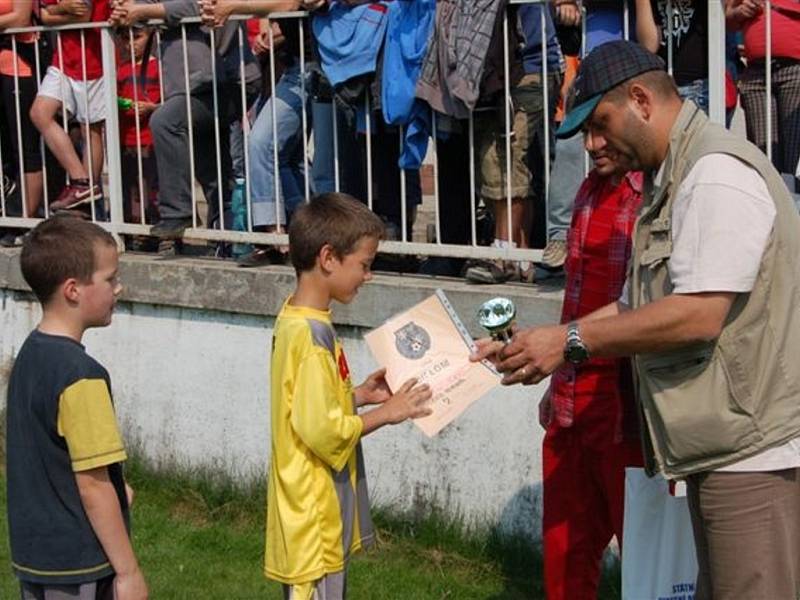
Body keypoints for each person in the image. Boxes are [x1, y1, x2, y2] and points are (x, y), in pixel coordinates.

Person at [473, 40, 800, 599]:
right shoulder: (675, 176)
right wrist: (550, 346)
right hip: (722, 446)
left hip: (754, 455)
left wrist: (571, 339)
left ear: (642, 100)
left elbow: (699, 314)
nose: (595, 144)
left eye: (600, 124)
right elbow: (636, 302)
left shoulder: (714, 174)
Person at [266, 192, 432, 598]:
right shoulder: (309, 336)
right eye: (364, 264)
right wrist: (388, 413)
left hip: (312, 512)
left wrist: (357, 396)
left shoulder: (301, 319)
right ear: (328, 258)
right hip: (312, 520)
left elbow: (305, 407)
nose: (368, 275)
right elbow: (322, 431)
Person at [6, 215, 148, 600]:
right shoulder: (80, 375)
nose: (118, 288)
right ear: (73, 290)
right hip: (79, 564)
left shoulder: (30, 356)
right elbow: (92, 484)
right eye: (109, 278)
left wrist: (121, 488)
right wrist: (129, 572)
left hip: (37, 558)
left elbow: (49, 453)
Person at [541, 136, 644, 597]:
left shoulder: (656, 194)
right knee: (566, 554)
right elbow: (576, 293)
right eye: (585, 131)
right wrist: (557, 379)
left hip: (627, 406)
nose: (591, 143)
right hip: (574, 396)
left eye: (602, 127)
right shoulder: (590, 188)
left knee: (647, 558)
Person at [31, 0, 109, 214]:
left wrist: (56, 10)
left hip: (94, 57)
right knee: (40, 113)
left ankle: (87, 201)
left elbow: (83, 14)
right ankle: (81, 183)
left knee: (90, 130)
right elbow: (45, 17)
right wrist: (62, 9)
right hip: (64, 59)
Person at [726, 0, 800, 191]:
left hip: (794, 68)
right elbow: (727, 20)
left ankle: (791, 208)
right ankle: (770, 208)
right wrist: (740, 12)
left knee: (792, 152)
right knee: (762, 155)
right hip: (756, 73)